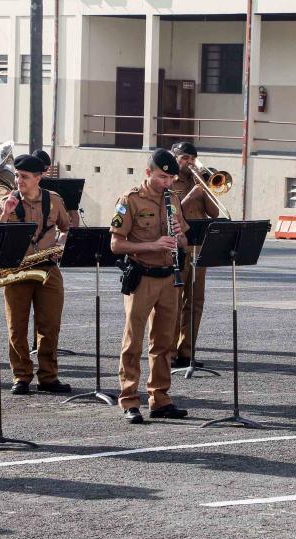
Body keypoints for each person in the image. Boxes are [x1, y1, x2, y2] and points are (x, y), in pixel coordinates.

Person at [110, 148, 190, 424]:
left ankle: (160, 398)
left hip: (170, 278)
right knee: (133, 340)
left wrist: (178, 238)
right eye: (162, 177)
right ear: (148, 173)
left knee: (164, 342)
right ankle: (129, 399)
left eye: (171, 178)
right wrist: (151, 245)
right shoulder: (130, 200)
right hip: (142, 276)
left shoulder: (174, 199)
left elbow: (183, 241)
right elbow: (116, 244)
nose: (167, 183)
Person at [0, 154, 72, 395]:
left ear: (39, 178)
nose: (19, 181)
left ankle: (49, 376)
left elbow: (67, 228)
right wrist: (6, 213)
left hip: (47, 268)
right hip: (17, 270)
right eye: (17, 176)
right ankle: (21, 376)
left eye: (24, 177)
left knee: (49, 326)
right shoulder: (8, 201)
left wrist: (61, 244)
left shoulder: (54, 200)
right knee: (16, 327)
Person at [168, 141, 219, 369]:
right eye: (185, 158)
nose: (189, 163)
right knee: (173, 302)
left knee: (195, 301)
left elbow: (215, 212)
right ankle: (167, 353)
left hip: (199, 246)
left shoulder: (199, 181)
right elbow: (172, 209)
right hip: (177, 246)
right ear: (174, 157)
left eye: (192, 159)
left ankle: (186, 352)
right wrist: (192, 193)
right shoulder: (169, 180)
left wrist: (204, 187)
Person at [33, 148, 80, 229]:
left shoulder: (51, 184)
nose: (45, 172)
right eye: (43, 169)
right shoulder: (24, 183)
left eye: (46, 169)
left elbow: (73, 213)